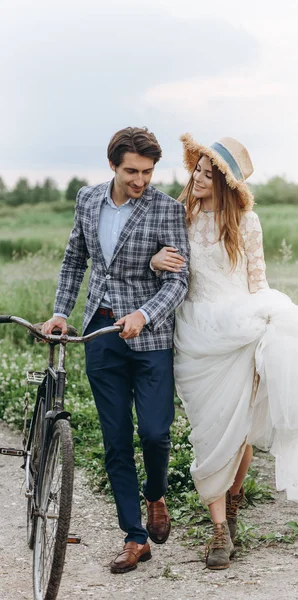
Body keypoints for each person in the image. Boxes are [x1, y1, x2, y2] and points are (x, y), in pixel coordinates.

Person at [151, 134, 298, 570]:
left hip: (240, 328)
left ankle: (224, 520)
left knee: (241, 430)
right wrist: (155, 261)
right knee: (210, 430)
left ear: (227, 184)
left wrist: (270, 322)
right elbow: (161, 262)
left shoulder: (247, 223)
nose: (197, 177)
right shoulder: (181, 216)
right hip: (195, 334)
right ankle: (220, 516)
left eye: (208, 173)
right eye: (197, 168)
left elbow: (258, 281)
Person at [42, 127, 190, 574]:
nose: (140, 180)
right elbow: (75, 260)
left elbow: (179, 280)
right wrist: (61, 313)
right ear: (113, 166)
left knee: (154, 433)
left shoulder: (167, 209)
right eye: (131, 171)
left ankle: (156, 495)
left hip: (150, 338)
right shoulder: (88, 200)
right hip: (100, 334)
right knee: (116, 440)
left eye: (147, 172)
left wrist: (144, 314)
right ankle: (134, 537)